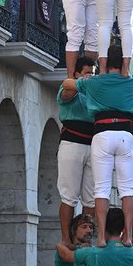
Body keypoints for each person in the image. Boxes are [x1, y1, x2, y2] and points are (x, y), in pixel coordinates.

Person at [59, 42, 133, 244]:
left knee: (101, 189)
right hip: (125, 134)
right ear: (126, 61)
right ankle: (127, 235)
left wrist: (81, 80)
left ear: (104, 61)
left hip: (101, 133)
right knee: (127, 189)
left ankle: (100, 237)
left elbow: (67, 84)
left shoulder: (93, 82)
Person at [57, 55, 98, 238]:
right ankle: (67, 238)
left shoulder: (95, 93)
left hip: (93, 145)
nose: (91, 77)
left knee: (91, 198)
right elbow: (67, 91)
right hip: (72, 143)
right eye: (88, 73)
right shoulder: (69, 86)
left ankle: (86, 237)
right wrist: (81, 83)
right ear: (77, 74)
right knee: (69, 196)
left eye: (93, 74)